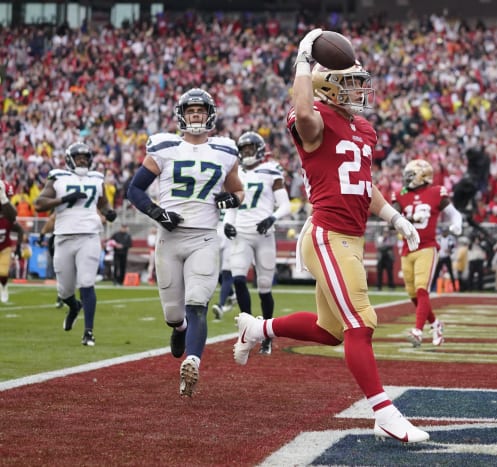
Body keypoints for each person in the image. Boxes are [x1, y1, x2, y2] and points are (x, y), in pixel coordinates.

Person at [232, 29, 428, 443]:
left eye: (360, 82)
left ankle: (257, 329)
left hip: (351, 236)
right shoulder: (313, 119)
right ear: (325, 84)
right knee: (362, 322)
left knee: (332, 330)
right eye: (350, 82)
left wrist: (394, 217)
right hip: (328, 234)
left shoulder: (363, 128)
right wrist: (303, 61)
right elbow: (303, 114)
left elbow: (363, 184)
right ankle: (384, 412)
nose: (358, 90)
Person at [126, 88, 245, 397]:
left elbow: (239, 193)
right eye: (191, 110)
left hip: (204, 237)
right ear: (181, 114)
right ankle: (178, 329)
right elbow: (135, 190)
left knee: (198, 304)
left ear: (210, 115)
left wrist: (229, 199)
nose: (195, 115)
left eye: (200, 110)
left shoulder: (225, 150)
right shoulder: (164, 147)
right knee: (173, 314)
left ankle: (192, 362)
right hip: (169, 238)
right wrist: (157, 213)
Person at [33, 142, 118, 345]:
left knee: (87, 282)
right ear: (69, 159)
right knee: (64, 291)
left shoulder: (96, 178)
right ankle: (73, 306)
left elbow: (102, 201)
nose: (82, 160)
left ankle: (88, 332)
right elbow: (39, 204)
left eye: (85, 157)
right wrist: (63, 199)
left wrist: (108, 212)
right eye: (78, 157)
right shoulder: (57, 177)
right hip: (63, 236)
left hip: (89, 235)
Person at [220, 130, 291, 354]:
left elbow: (286, 205)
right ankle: (248, 331)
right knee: (239, 279)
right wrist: (227, 222)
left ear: (259, 149)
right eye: (244, 149)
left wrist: (272, 218)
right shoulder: (235, 172)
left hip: (263, 235)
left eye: (250, 148)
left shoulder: (271, 170)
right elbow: (232, 203)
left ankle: (267, 334)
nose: (247, 153)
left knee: (264, 288)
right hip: (241, 233)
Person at [392, 159, 463, 347]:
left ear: (421, 176)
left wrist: (457, 225)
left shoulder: (435, 192)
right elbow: (392, 220)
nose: (407, 178)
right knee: (413, 294)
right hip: (408, 248)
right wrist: (410, 218)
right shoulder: (401, 194)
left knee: (422, 289)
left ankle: (417, 331)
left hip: (427, 247)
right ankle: (435, 324)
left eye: (410, 174)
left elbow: (454, 214)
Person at [0, 180, 23, 303]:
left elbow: (18, 226)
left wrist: (18, 247)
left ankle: (3, 286)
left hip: (4, 246)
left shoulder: (7, 216)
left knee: (3, 272)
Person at [430, 227, 457, 293]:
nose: (445, 233)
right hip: (440, 257)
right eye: (444, 232)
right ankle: (431, 287)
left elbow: (453, 247)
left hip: (447, 257)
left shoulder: (450, 238)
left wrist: (450, 251)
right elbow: (435, 247)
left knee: (451, 273)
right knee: (436, 273)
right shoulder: (439, 238)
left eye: (446, 232)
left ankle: (454, 287)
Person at [375, 226, 397, 291]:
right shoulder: (379, 237)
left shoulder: (391, 237)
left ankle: (391, 286)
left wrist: (384, 245)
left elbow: (391, 244)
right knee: (379, 272)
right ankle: (379, 286)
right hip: (381, 256)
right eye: (385, 232)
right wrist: (384, 244)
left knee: (389, 272)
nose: (386, 233)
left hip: (388, 256)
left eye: (387, 232)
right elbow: (377, 245)